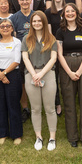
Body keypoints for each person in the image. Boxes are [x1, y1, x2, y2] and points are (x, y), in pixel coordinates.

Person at [56, 4, 82, 148]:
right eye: (67, 12)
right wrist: (70, 72)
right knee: (69, 102)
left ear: (77, 13)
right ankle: (72, 136)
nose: (70, 13)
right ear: (64, 14)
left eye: (72, 11)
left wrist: (80, 70)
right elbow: (59, 53)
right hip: (66, 65)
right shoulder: (60, 31)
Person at [21, 11, 58, 151]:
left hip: (47, 73)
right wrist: (34, 74)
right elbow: (25, 58)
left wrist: (41, 73)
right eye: (34, 21)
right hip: (31, 74)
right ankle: (39, 137)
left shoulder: (51, 38)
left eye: (39, 21)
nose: (37, 23)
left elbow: (53, 58)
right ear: (31, 23)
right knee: (35, 108)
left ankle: (52, 137)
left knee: (50, 108)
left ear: (44, 22)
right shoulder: (26, 39)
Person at [0, 18, 23, 144]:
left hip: (12, 74)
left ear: (12, 28)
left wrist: (4, 73)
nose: (5, 28)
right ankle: (2, 133)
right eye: (2, 26)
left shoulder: (16, 42)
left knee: (13, 104)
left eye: (7, 26)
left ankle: (16, 134)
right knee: (1, 105)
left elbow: (17, 61)